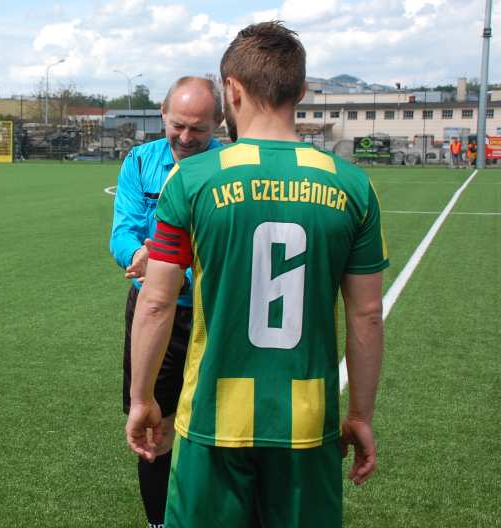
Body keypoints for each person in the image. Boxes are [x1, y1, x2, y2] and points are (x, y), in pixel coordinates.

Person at [125, 21, 387, 527]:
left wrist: (141, 400)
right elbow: (367, 313)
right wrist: (359, 415)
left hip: (211, 417)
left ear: (231, 90)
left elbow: (156, 302)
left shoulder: (194, 179)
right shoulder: (353, 185)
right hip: (307, 424)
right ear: (302, 91)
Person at [109, 76, 223, 528]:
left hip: (212, 312)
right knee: (153, 429)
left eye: (199, 128)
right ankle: (159, 521)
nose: (186, 137)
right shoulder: (140, 161)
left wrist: (174, 271)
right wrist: (137, 255)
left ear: (218, 122)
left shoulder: (228, 166)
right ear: (162, 113)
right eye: (178, 125)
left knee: (217, 428)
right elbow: (124, 228)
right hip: (152, 312)